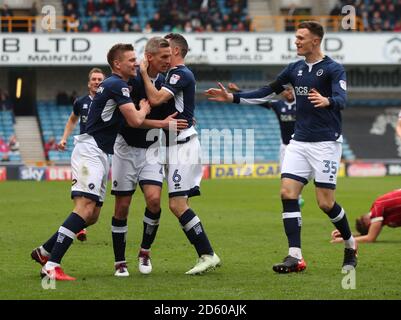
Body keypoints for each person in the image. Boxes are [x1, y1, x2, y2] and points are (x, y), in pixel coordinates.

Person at [205, 21, 357, 273]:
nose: (296, 41)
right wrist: (232, 98)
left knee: (325, 203)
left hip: (326, 143)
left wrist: (327, 100)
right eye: (295, 37)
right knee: (288, 193)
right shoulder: (294, 69)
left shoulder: (333, 69)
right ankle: (295, 256)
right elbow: (267, 92)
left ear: (315, 41)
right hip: (298, 142)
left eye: (301, 37)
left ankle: (350, 245)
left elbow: (342, 99)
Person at [31, 43, 151, 281]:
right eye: (131, 60)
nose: (135, 63)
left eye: (136, 59)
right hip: (90, 151)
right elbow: (136, 120)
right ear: (117, 64)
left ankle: (45, 251)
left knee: (93, 215)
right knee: (84, 209)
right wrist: (144, 108)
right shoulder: (117, 84)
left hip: (99, 153)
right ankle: (52, 265)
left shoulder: (115, 85)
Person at [139, 33, 221, 275]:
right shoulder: (170, 76)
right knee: (164, 201)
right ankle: (149, 251)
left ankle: (207, 254)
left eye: (167, 50)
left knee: (177, 204)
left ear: (175, 51)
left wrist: (143, 72)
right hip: (169, 145)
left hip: (182, 145)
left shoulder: (179, 73)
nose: (164, 54)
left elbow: (154, 99)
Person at [110, 37, 187, 277]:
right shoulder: (130, 82)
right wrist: (162, 123)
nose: (168, 61)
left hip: (152, 149)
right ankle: (119, 261)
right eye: (164, 57)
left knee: (154, 201)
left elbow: (172, 113)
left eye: (170, 56)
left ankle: (145, 251)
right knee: (122, 206)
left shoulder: (165, 83)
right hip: (125, 148)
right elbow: (130, 121)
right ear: (150, 57)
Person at [227, 83, 304, 208]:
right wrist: (238, 90)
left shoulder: (301, 104)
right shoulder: (278, 105)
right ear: (282, 93)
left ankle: (298, 195)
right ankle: (294, 196)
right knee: (285, 173)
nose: (288, 93)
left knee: (300, 173)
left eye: (290, 90)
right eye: (285, 91)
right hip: (285, 146)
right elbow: (258, 100)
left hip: (300, 145)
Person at [57, 67, 106, 242]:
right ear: (89, 83)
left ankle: (78, 224)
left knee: (93, 214)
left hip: (101, 152)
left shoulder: (110, 102)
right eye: (94, 79)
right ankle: (76, 227)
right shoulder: (81, 102)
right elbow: (72, 119)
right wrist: (64, 139)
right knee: (82, 193)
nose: (97, 81)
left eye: (100, 79)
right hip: (85, 152)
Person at [331, 189, 401, 243]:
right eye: (362, 220)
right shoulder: (380, 213)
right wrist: (347, 235)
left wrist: (342, 240)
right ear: (368, 225)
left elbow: (370, 238)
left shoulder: (376, 210)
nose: (363, 217)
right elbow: (369, 235)